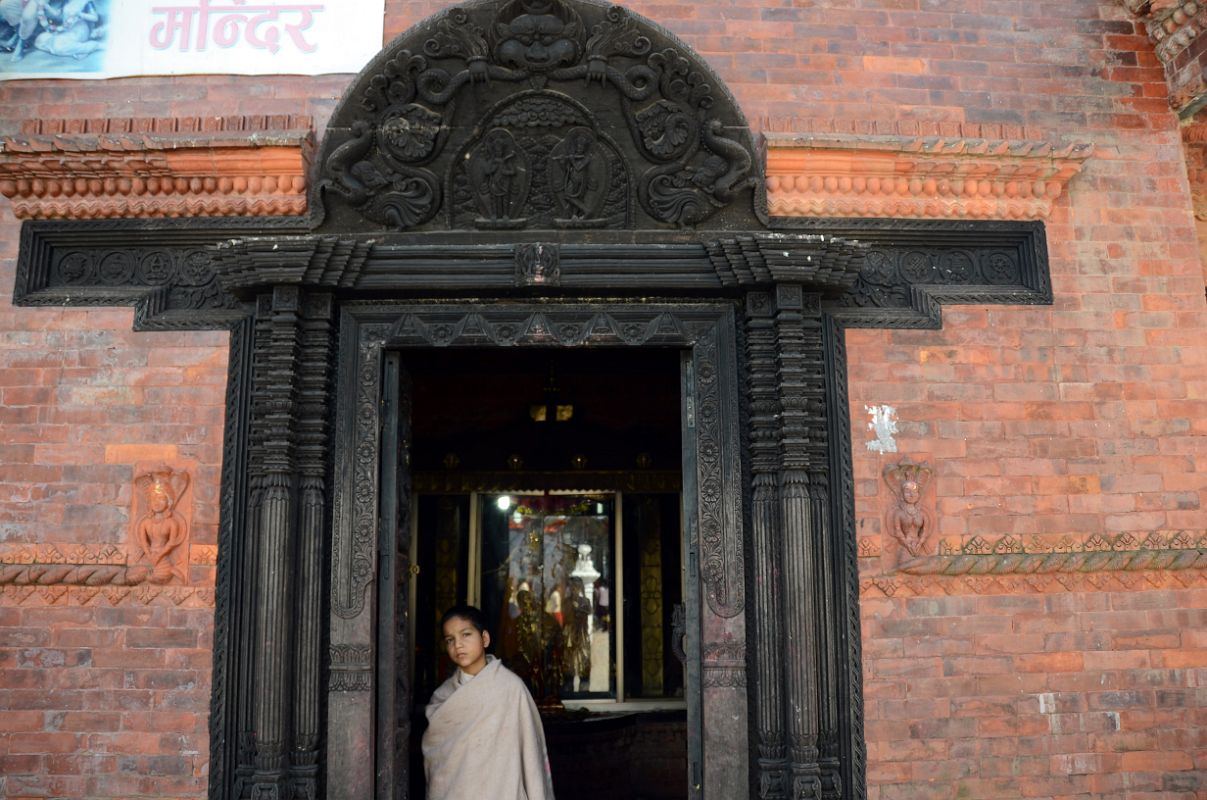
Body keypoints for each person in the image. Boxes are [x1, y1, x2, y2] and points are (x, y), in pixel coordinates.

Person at [422, 604, 555, 800]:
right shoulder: (442, 697)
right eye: (450, 640)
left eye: (466, 635)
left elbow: (530, 754)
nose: (457, 644)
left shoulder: (510, 688)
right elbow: (437, 763)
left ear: (484, 639)